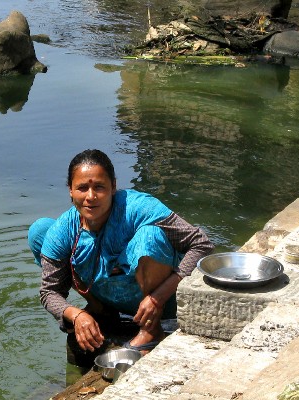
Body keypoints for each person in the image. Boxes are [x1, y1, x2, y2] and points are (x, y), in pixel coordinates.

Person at [28, 149, 214, 366]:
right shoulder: (65, 229)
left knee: (149, 236)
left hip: (159, 299)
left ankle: (151, 330)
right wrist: (76, 315)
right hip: (108, 291)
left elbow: (201, 244)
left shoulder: (139, 208)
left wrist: (158, 297)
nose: (90, 197)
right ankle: (101, 310)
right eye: (82, 188)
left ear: (113, 187)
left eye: (99, 187)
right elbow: (49, 291)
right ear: (70, 190)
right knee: (40, 231)